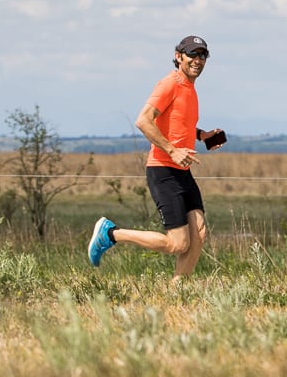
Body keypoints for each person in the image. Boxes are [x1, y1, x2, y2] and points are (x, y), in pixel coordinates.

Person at [87, 35, 224, 279]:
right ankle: (111, 234)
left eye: (203, 55)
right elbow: (143, 120)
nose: (198, 60)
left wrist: (202, 135)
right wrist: (172, 150)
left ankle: (178, 289)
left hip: (182, 171)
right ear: (178, 56)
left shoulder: (189, 88)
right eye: (192, 54)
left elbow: (176, 125)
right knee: (177, 243)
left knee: (199, 234)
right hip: (163, 171)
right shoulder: (169, 84)